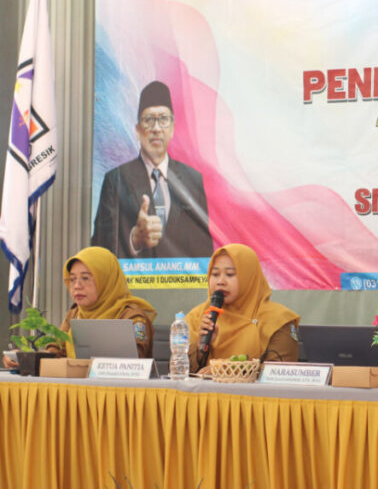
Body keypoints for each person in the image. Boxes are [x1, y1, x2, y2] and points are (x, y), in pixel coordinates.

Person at [91, 80, 213, 258]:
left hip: (181, 277)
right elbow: (99, 247)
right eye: (149, 120)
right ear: (137, 130)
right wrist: (135, 239)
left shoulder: (192, 181)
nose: (156, 128)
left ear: (172, 129)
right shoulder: (116, 179)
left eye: (163, 119)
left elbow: (204, 251)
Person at [2, 247, 156, 366]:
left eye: (85, 278)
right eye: (72, 279)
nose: (76, 286)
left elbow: (136, 361)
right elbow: (55, 350)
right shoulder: (75, 314)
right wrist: (24, 358)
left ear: (106, 280)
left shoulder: (133, 318)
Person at [186, 244, 300, 372]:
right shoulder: (197, 317)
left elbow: (281, 374)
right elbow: (179, 371)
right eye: (215, 274)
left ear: (249, 277)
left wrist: (224, 370)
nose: (220, 281)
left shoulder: (276, 320)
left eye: (230, 274)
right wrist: (201, 348)